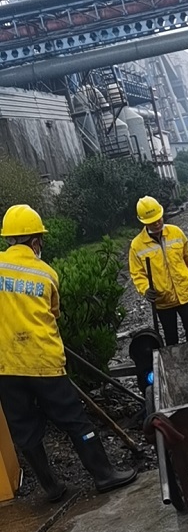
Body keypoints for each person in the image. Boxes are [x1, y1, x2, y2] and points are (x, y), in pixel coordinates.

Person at [0, 204, 137, 500]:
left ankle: (51, 488)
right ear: (35, 241)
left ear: (8, 239)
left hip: (6, 366)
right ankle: (104, 475)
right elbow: (53, 314)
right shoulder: (46, 274)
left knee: (23, 428)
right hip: (44, 362)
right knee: (74, 419)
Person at [129, 196, 188, 346]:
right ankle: (175, 359)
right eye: (152, 221)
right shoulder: (137, 246)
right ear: (144, 222)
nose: (157, 223)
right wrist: (145, 289)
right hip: (162, 300)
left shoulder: (176, 232)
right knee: (171, 337)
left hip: (186, 291)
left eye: (159, 219)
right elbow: (137, 274)